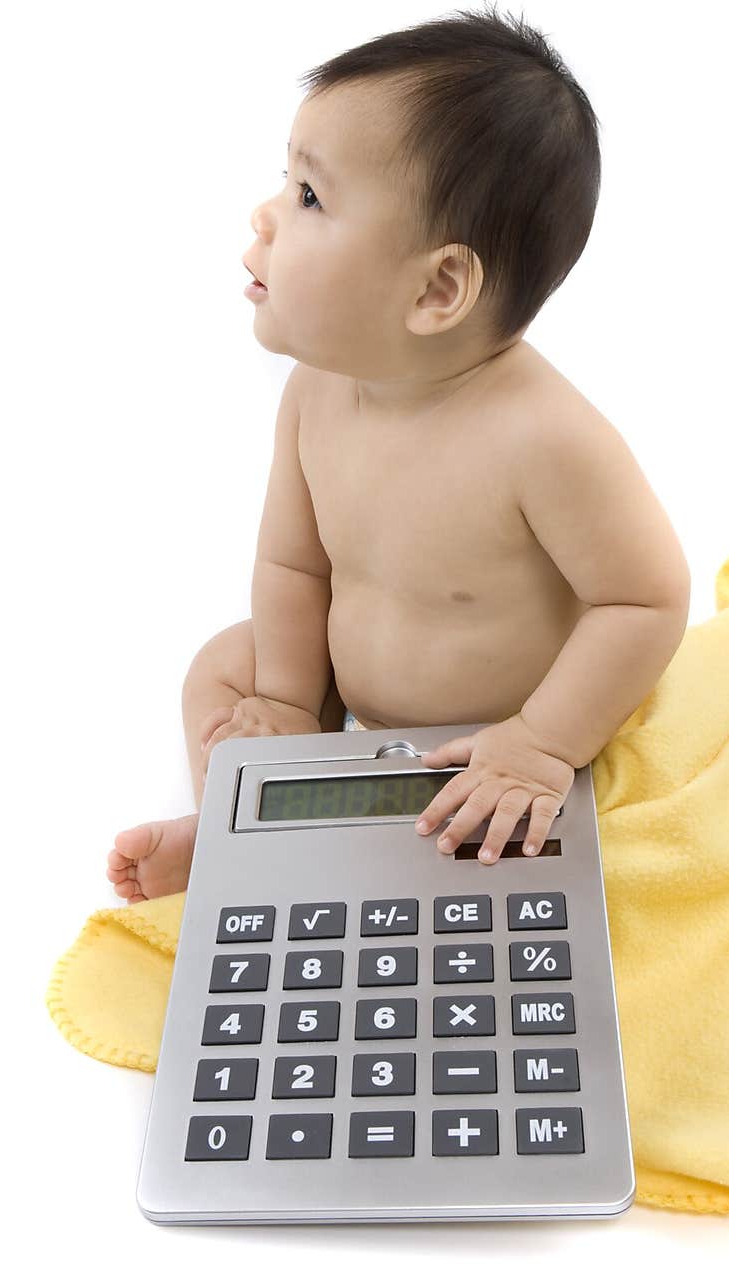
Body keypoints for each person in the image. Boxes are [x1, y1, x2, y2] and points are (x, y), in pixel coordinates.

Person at [107, 5, 689, 903]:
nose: (264, 215)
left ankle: (353, 810)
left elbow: (645, 599)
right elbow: (292, 565)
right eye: (285, 181)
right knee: (223, 666)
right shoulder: (314, 393)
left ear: (440, 288)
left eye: (309, 197)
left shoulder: (543, 436)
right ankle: (241, 825)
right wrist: (292, 705)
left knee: (552, 772)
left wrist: (541, 742)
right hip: (355, 698)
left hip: (500, 721)